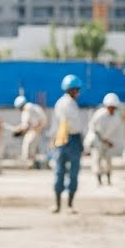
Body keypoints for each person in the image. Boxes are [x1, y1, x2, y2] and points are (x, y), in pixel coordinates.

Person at [50, 74, 87, 213]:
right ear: (71, 90)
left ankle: (60, 205)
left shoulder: (62, 103)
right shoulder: (67, 104)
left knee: (61, 171)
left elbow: (56, 124)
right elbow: (71, 125)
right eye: (76, 90)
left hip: (62, 139)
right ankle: (67, 205)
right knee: (71, 172)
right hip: (69, 139)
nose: (77, 93)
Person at [85, 92, 125, 186]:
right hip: (97, 141)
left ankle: (108, 178)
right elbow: (93, 128)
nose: (112, 109)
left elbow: (116, 132)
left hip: (108, 142)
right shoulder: (100, 115)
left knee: (108, 160)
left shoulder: (116, 118)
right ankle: (98, 179)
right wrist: (102, 139)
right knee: (97, 160)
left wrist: (111, 141)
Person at [10, 95, 48, 170]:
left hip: (36, 129)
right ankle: (32, 162)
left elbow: (25, 125)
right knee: (34, 146)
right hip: (40, 128)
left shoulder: (26, 109)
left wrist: (18, 130)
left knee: (27, 143)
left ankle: (28, 162)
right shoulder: (33, 107)